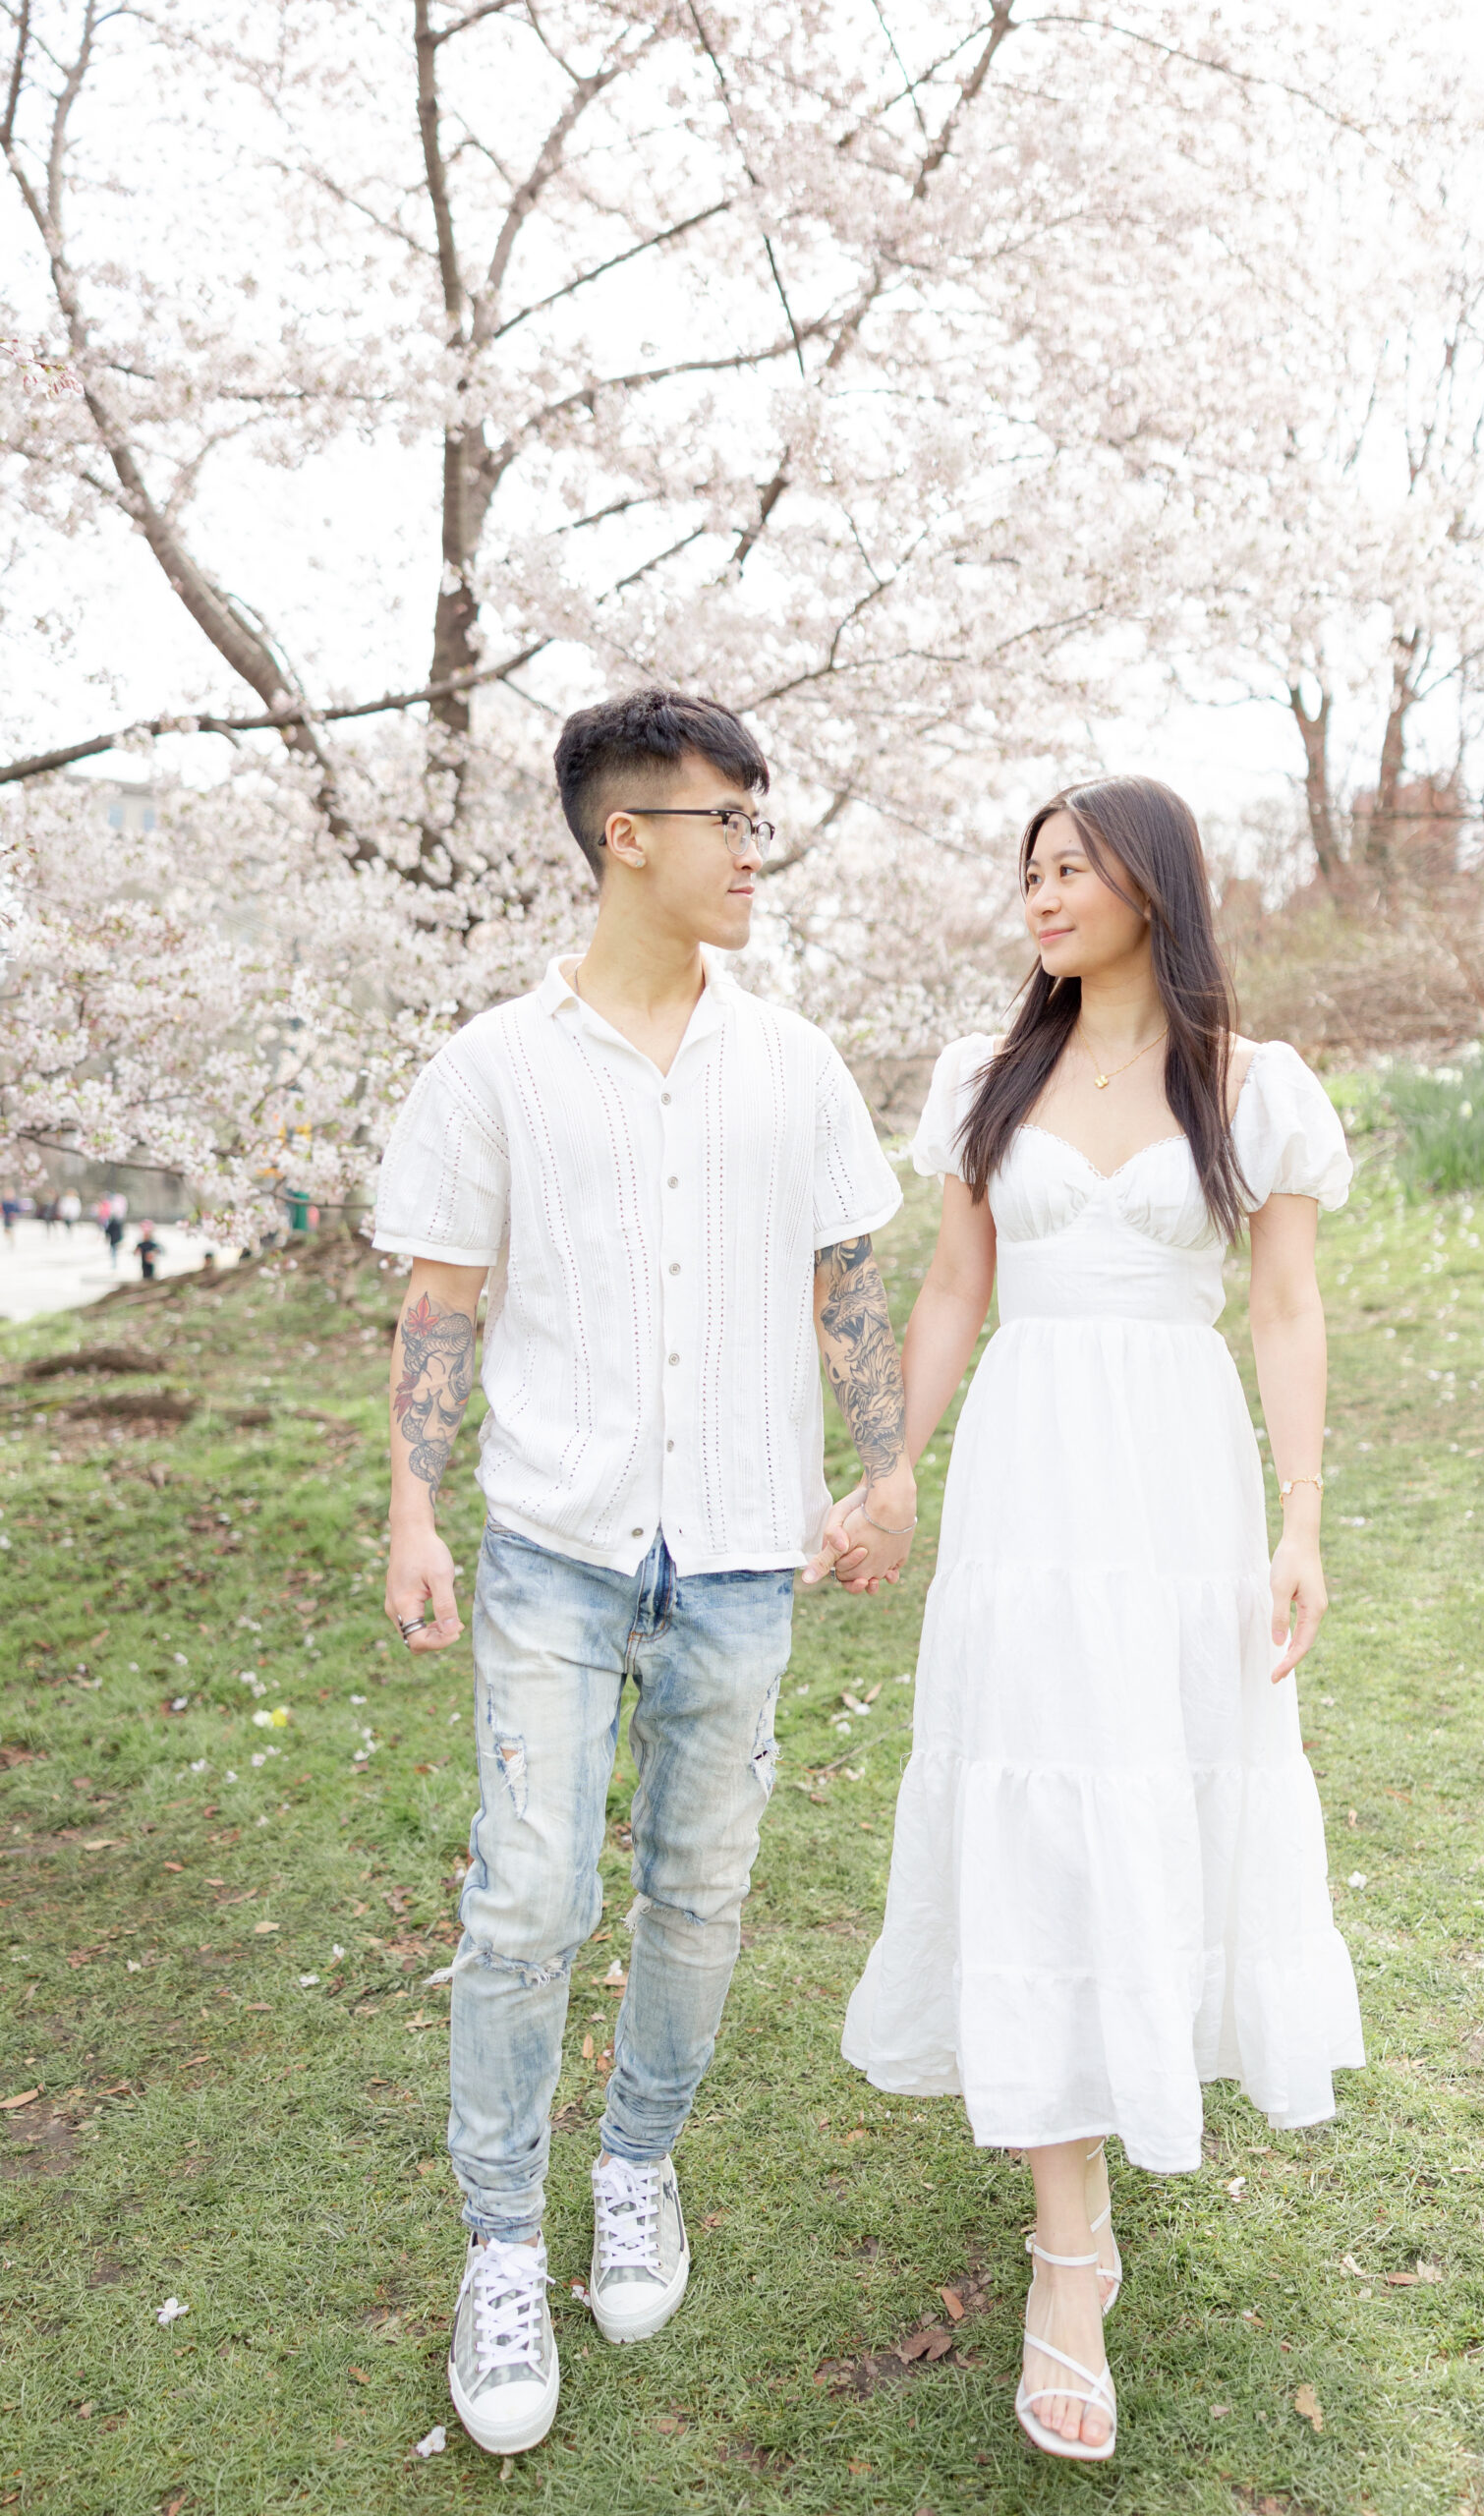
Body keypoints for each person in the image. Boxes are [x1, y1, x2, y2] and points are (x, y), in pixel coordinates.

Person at [371, 687, 915, 2460]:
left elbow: (848, 1280)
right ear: (630, 837)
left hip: (748, 1550)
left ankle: (637, 2170)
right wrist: (412, 1504)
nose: (760, 852)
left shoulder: (801, 1063)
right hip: (552, 1546)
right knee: (527, 1903)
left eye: (764, 821)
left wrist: (887, 1464)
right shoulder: (493, 1066)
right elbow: (440, 1302)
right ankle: (502, 2250)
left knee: (702, 1890)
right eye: (730, 821)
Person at [837, 775, 1363, 2463]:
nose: (1045, 895)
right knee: (1034, 1797)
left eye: (1073, 868)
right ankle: (1070, 2250)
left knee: (1151, 1786)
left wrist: (1300, 1520)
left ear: (1154, 884)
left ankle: (1127, 2077)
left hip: (1177, 1481)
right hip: (1027, 1478)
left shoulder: (1251, 1087)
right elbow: (949, 1291)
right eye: (1033, 871)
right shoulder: (990, 1083)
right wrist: (888, 1468)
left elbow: (1284, 1308)